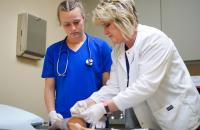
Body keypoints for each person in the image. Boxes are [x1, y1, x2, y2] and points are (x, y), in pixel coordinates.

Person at [70, 0, 200, 130]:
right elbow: (114, 87)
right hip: (151, 120)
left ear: (123, 19)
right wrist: (89, 102)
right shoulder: (118, 50)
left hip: (180, 117)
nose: (105, 32)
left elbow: (146, 86)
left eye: (107, 25)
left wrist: (104, 107)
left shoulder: (154, 40)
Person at [41, 0, 112, 128]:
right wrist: (52, 113)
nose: (73, 28)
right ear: (61, 24)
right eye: (67, 24)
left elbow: (109, 86)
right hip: (63, 121)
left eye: (76, 22)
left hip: (95, 120)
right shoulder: (53, 51)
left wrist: (103, 113)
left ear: (84, 18)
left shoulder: (102, 48)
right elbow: (49, 88)